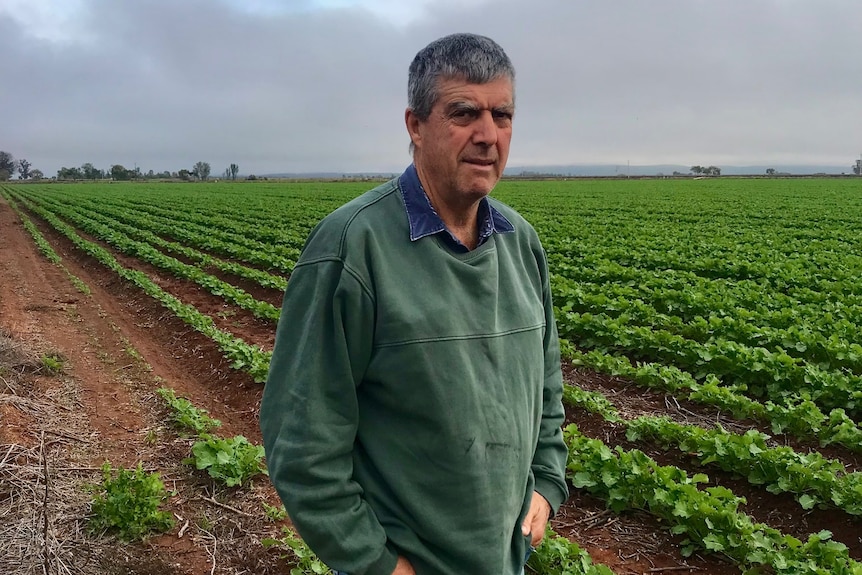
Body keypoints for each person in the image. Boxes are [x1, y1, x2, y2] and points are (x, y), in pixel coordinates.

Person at [260, 33, 569, 575]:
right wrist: (379, 565)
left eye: (502, 115)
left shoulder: (522, 244)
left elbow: (545, 386)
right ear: (415, 125)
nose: (487, 135)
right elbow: (301, 443)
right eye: (463, 112)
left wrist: (546, 479)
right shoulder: (353, 247)